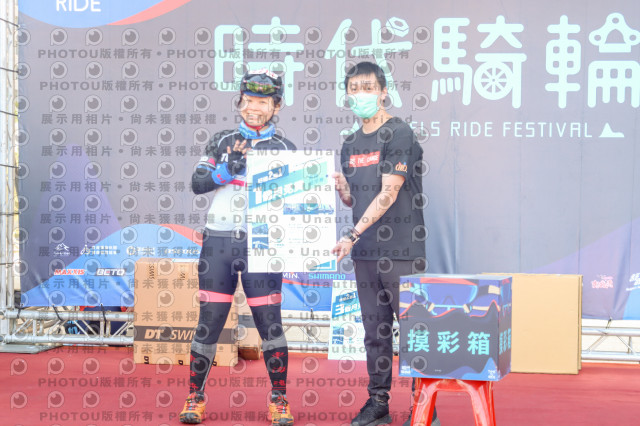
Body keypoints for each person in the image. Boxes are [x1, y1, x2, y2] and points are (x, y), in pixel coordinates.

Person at [179, 69, 296, 425]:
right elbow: (197, 182)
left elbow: (298, 202)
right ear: (240, 101)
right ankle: (194, 397)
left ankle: (279, 400)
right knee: (209, 321)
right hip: (219, 241)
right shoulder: (222, 140)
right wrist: (225, 172)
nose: (253, 107)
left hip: (263, 243)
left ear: (276, 106)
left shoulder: (286, 149)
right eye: (248, 100)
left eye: (262, 101)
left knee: (270, 323)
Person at [331, 61, 440, 426]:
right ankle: (378, 402)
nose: (360, 95)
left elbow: (389, 192)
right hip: (365, 253)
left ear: (383, 92)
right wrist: (343, 190)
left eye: (368, 88)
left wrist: (351, 234)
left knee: (413, 330)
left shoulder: (399, 133)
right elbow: (356, 200)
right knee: (374, 332)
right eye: (354, 89)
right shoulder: (349, 143)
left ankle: (425, 408)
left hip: (402, 250)